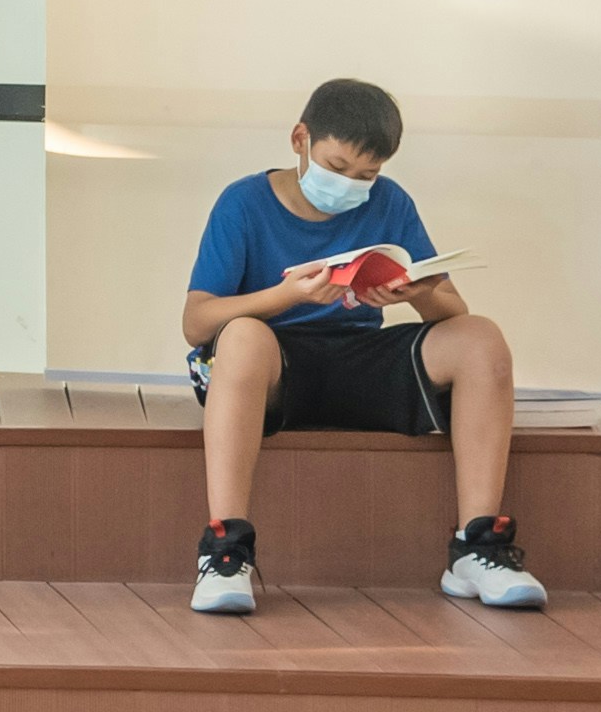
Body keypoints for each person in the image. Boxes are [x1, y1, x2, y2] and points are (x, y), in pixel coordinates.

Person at [175, 77, 535, 614]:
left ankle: (475, 546)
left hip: (362, 361)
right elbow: (196, 322)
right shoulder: (244, 202)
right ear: (300, 139)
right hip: (275, 367)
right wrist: (282, 296)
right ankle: (225, 551)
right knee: (243, 336)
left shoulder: (390, 204)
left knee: (481, 338)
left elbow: (453, 313)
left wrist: (417, 294)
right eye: (338, 168)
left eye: (368, 175)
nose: (351, 185)